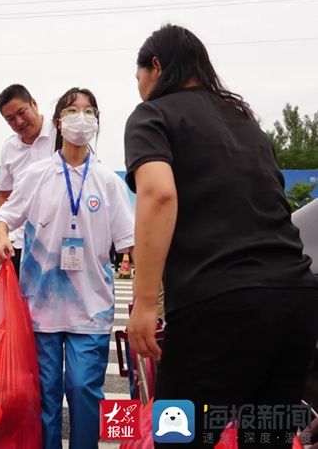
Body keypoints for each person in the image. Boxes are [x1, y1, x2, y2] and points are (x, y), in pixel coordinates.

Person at [124, 24, 318, 448]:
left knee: (178, 437)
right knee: (265, 438)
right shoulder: (245, 121)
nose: (139, 88)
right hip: (295, 301)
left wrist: (143, 303)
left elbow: (158, 194)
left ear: (156, 66)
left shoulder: (152, 115)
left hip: (218, 306)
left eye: (137, 76)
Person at [0, 87, 134, 449]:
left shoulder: (109, 182)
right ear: (58, 122)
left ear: (97, 122)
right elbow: (6, 215)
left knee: (85, 391)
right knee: (45, 396)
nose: (80, 118)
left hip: (92, 306)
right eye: (72, 111)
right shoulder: (36, 174)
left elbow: (130, 241)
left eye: (88, 111)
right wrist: (1, 236)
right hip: (40, 308)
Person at [0, 84, 56, 278]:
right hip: (23, 242)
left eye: (22, 112)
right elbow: (4, 195)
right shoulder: (9, 148)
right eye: (10, 119)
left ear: (34, 104)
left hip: (60, 239)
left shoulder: (61, 134)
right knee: (22, 304)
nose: (19, 122)